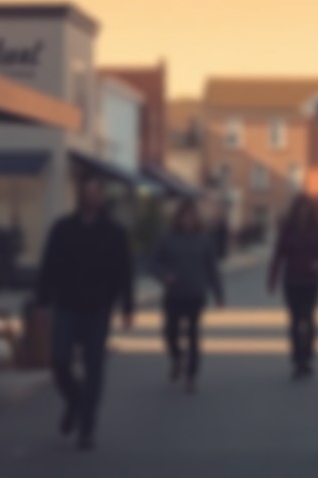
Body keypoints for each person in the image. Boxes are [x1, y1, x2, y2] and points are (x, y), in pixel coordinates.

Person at [35, 173, 136, 452]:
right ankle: (75, 400)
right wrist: (42, 303)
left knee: (94, 369)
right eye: (87, 191)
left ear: (102, 197)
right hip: (66, 306)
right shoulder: (63, 229)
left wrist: (127, 307)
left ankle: (87, 428)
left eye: (96, 192)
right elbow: (49, 266)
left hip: (97, 309)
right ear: (81, 196)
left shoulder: (114, 233)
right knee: (59, 361)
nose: (91, 197)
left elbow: (125, 272)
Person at [151, 199, 225, 394]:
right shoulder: (167, 238)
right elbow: (153, 262)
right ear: (179, 218)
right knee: (170, 332)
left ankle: (191, 376)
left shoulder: (204, 239)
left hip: (195, 294)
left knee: (193, 335)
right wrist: (164, 275)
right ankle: (176, 358)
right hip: (174, 293)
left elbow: (212, 268)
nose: (189, 220)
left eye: (192, 216)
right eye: (185, 216)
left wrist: (218, 293)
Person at [267, 194, 318, 380]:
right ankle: (297, 359)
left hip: (312, 281)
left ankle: (308, 352)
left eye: (306, 209)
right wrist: (272, 280)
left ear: (311, 211)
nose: (303, 212)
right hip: (292, 281)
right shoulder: (287, 230)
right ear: (295, 211)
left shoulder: (317, 229)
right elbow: (278, 256)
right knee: (295, 320)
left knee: (309, 318)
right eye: (300, 209)